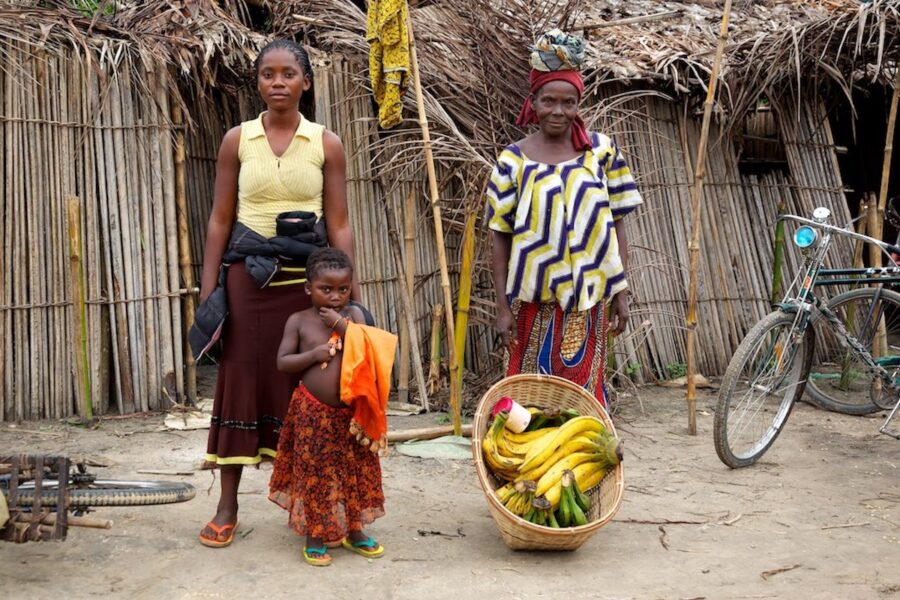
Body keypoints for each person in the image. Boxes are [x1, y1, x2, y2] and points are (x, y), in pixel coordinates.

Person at [196, 39, 360, 548]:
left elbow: (339, 222)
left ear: (305, 82)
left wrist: (350, 294)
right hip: (248, 281)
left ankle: (318, 504)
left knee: (312, 394)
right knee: (240, 380)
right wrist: (210, 293)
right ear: (259, 82)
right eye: (268, 74)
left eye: (289, 73)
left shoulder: (325, 143)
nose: (278, 82)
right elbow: (221, 219)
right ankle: (227, 505)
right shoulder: (236, 140)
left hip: (308, 288)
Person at [488, 30, 643, 406]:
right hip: (532, 302)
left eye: (568, 102)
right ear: (534, 102)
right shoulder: (513, 161)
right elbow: (498, 236)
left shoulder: (601, 152)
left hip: (589, 303)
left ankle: (577, 464)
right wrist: (503, 307)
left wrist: (620, 292)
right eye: (549, 101)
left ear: (579, 103)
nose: (558, 111)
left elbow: (617, 223)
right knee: (527, 400)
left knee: (583, 397)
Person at [268, 248, 390, 566]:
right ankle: (316, 533)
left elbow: (372, 347)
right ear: (309, 288)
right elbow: (282, 362)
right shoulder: (299, 322)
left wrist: (342, 326)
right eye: (326, 289)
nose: (335, 297)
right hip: (312, 412)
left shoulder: (356, 317)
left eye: (343, 289)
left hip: (352, 414)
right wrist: (312, 355)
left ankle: (355, 530)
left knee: (354, 471)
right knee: (317, 474)